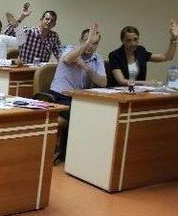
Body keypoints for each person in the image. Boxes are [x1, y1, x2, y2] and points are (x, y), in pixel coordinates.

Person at [49, 24, 107, 161]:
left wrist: (87, 69)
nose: (91, 46)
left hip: (79, 99)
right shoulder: (71, 49)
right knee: (79, 114)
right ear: (81, 40)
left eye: (94, 43)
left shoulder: (97, 59)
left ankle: (82, 153)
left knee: (96, 113)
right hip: (58, 97)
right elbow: (67, 59)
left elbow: (103, 82)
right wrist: (84, 45)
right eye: (87, 41)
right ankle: (66, 153)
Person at [107, 21, 177, 87]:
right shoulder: (115, 55)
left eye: (135, 39)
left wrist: (173, 39)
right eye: (128, 40)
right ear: (122, 40)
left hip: (139, 91)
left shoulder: (141, 51)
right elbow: (121, 81)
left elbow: (167, 57)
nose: (133, 44)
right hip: (119, 91)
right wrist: (145, 83)